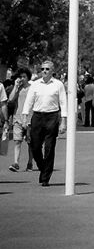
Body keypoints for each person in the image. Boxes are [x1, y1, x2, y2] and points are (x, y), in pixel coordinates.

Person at [21, 58, 68, 186]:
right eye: (42, 69)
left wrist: (63, 121)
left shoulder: (58, 84)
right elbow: (29, 101)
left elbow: (63, 102)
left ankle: (46, 177)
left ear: (52, 71)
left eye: (47, 69)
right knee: (35, 146)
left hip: (52, 117)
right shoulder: (35, 84)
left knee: (49, 147)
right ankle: (43, 167)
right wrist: (25, 117)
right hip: (37, 116)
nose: (44, 71)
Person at [7, 67, 34, 172]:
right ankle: (16, 163)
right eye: (20, 77)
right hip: (17, 118)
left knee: (30, 142)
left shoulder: (32, 88)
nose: (22, 79)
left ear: (28, 77)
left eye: (24, 77)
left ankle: (30, 162)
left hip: (30, 118)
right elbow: (10, 100)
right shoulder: (17, 88)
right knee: (17, 141)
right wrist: (16, 87)